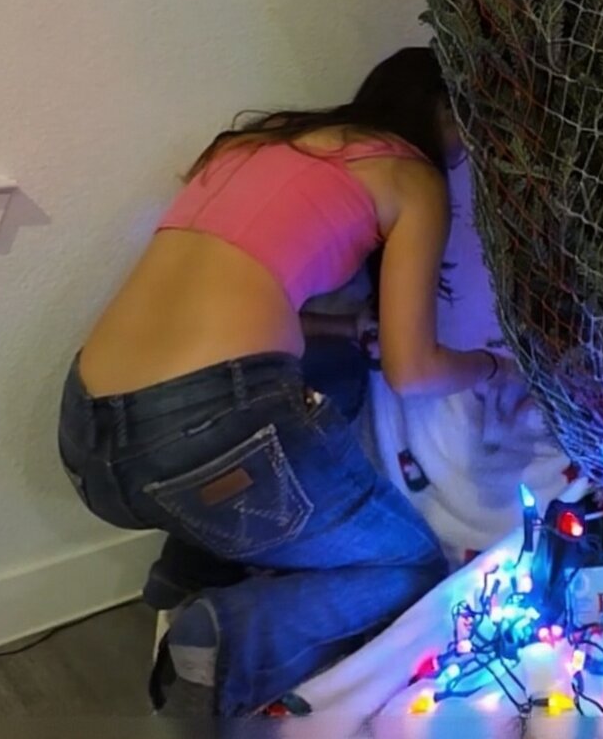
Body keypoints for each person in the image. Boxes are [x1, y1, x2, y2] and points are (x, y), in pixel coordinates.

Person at [59, 48, 521, 716]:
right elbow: (414, 371)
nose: (464, 151)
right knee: (408, 566)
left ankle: (185, 570)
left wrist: (350, 327)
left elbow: (233, 309)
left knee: (336, 372)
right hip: (203, 440)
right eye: (466, 130)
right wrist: (492, 365)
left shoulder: (255, 146)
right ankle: (222, 644)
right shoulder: (412, 176)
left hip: (89, 437)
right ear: (443, 111)